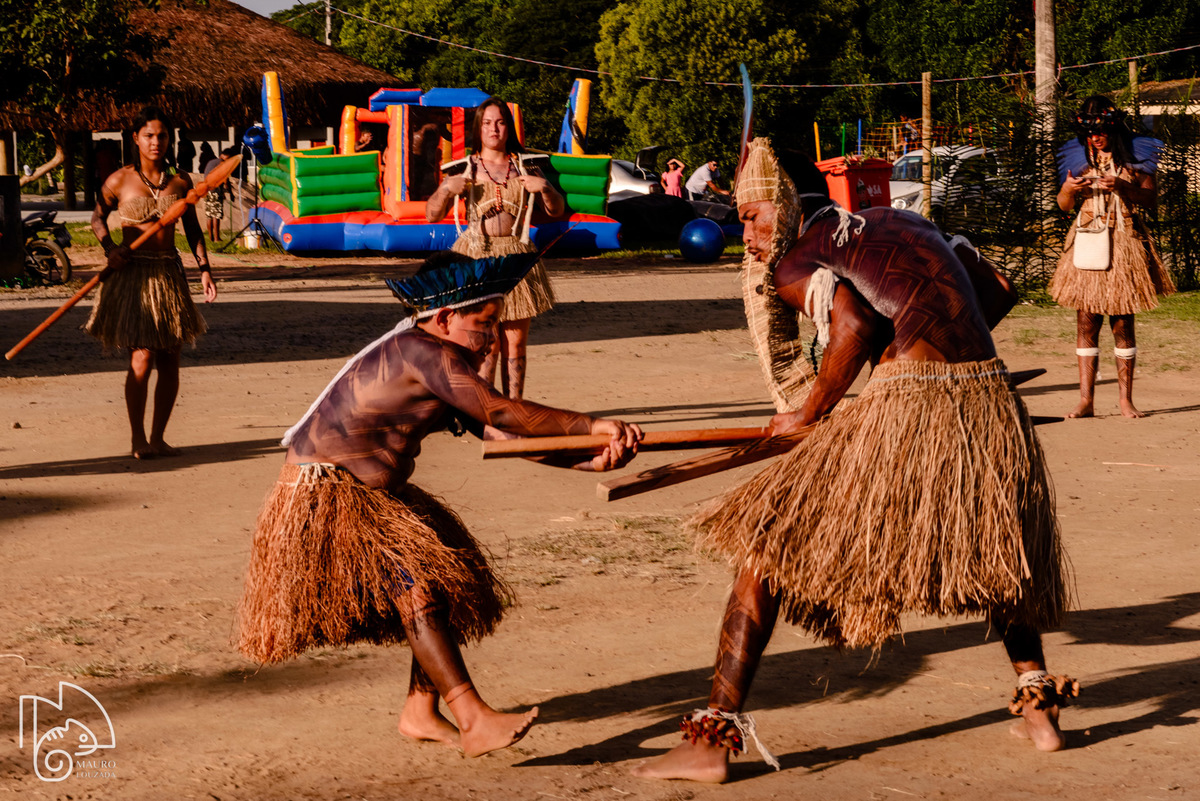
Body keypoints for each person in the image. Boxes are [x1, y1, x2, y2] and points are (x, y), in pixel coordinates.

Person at [632, 139, 1074, 783]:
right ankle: (1041, 713)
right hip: (987, 398)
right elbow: (993, 289)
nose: (744, 235)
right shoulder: (903, 220)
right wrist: (930, 354)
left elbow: (859, 323)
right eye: (739, 220)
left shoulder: (800, 258)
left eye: (753, 218)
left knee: (766, 542)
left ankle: (710, 739)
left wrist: (814, 411)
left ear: (784, 211)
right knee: (996, 551)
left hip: (915, 406)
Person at [237, 250, 642, 758]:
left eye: (495, 324)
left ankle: (420, 710)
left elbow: (494, 433)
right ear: (446, 316)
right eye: (483, 323)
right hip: (332, 494)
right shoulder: (419, 350)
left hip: (378, 497)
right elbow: (502, 412)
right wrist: (592, 425)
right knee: (420, 589)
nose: (491, 337)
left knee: (447, 581)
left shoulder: (439, 355)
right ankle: (472, 717)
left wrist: (589, 462)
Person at [87, 105, 215, 460]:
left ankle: (158, 437)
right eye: (148, 136)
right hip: (133, 276)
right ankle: (137, 439)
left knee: (171, 359)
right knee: (141, 358)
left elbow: (191, 229)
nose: (156, 142)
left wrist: (204, 269)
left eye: (161, 135)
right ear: (136, 139)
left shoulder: (181, 182)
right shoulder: (118, 180)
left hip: (168, 274)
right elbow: (97, 218)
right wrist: (110, 248)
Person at [425, 97, 564, 400]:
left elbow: (556, 211)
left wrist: (546, 189)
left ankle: (514, 409)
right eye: (487, 123)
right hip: (475, 257)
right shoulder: (464, 168)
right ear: (479, 128)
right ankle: (484, 408)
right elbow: (431, 214)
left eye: (500, 122)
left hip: (516, 258)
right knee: (484, 342)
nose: (494, 129)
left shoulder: (526, 166)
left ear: (508, 127)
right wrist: (446, 190)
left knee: (515, 341)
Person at [1049, 95, 1175, 419]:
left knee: (1122, 323)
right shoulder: (1080, 158)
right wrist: (1069, 189)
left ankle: (1125, 401)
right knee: (1086, 320)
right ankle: (1085, 400)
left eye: (1101, 130)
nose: (1095, 137)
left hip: (1123, 244)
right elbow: (1063, 206)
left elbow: (1150, 199)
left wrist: (1122, 186)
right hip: (1087, 242)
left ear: (1113, 128)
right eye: (1090, 132)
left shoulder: (1136, 156)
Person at [201, 146, 226, 242]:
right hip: (215, 191)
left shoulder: (211, 162)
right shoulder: (221, 163)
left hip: (206, 190)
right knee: (216, 215)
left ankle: (211, 237)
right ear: (223, 156)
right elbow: (225, 178)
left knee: (209, 215)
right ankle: (216, 238)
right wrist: (228, 190)